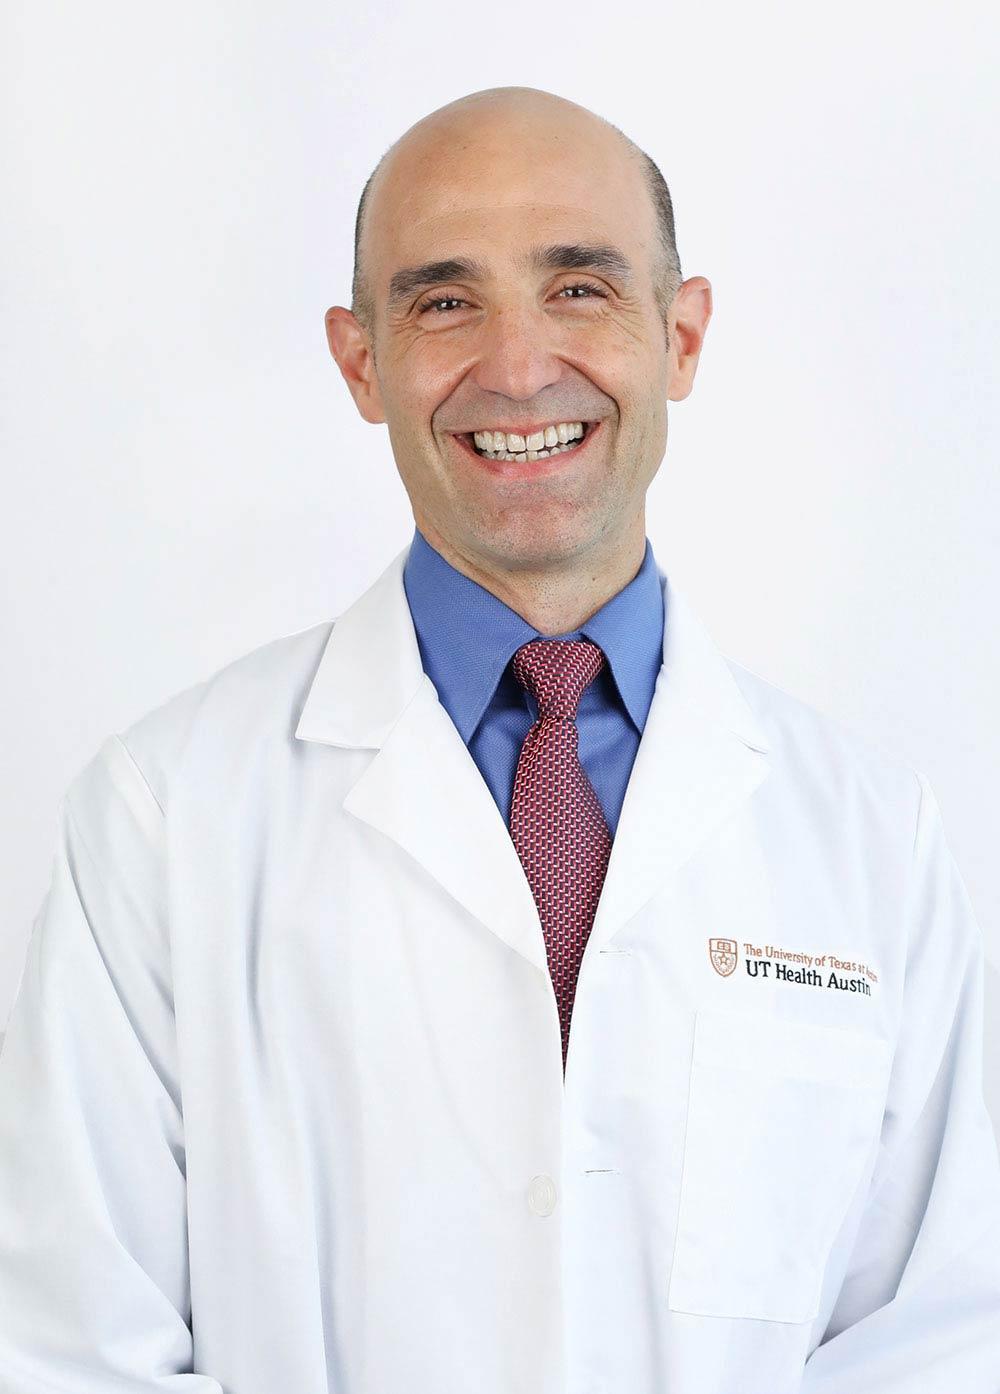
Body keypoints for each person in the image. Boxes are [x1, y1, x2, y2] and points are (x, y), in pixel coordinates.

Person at [1, 84, 998, 1394]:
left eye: (579, 288)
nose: (520, 366)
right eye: (444, 300)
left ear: (681, 335)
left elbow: (935, 1338)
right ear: (361, 361)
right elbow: (71, 1349)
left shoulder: (867, 834)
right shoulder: (160, 817)